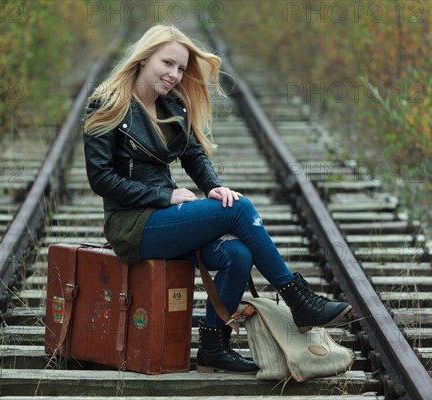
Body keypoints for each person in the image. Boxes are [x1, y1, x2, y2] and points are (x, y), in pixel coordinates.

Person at [82, 24, 352, 374]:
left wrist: (213, 187)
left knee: (236, 253)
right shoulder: (107, 105)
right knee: (239, 209)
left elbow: (193, 154)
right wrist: (163, 195)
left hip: (164, 219)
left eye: (180, 68)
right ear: (144, 57)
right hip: (132, 225)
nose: (174, 74)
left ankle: (213, 346)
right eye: (167, 63)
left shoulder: (171, 105)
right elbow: (101, 179)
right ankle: (297, 298)